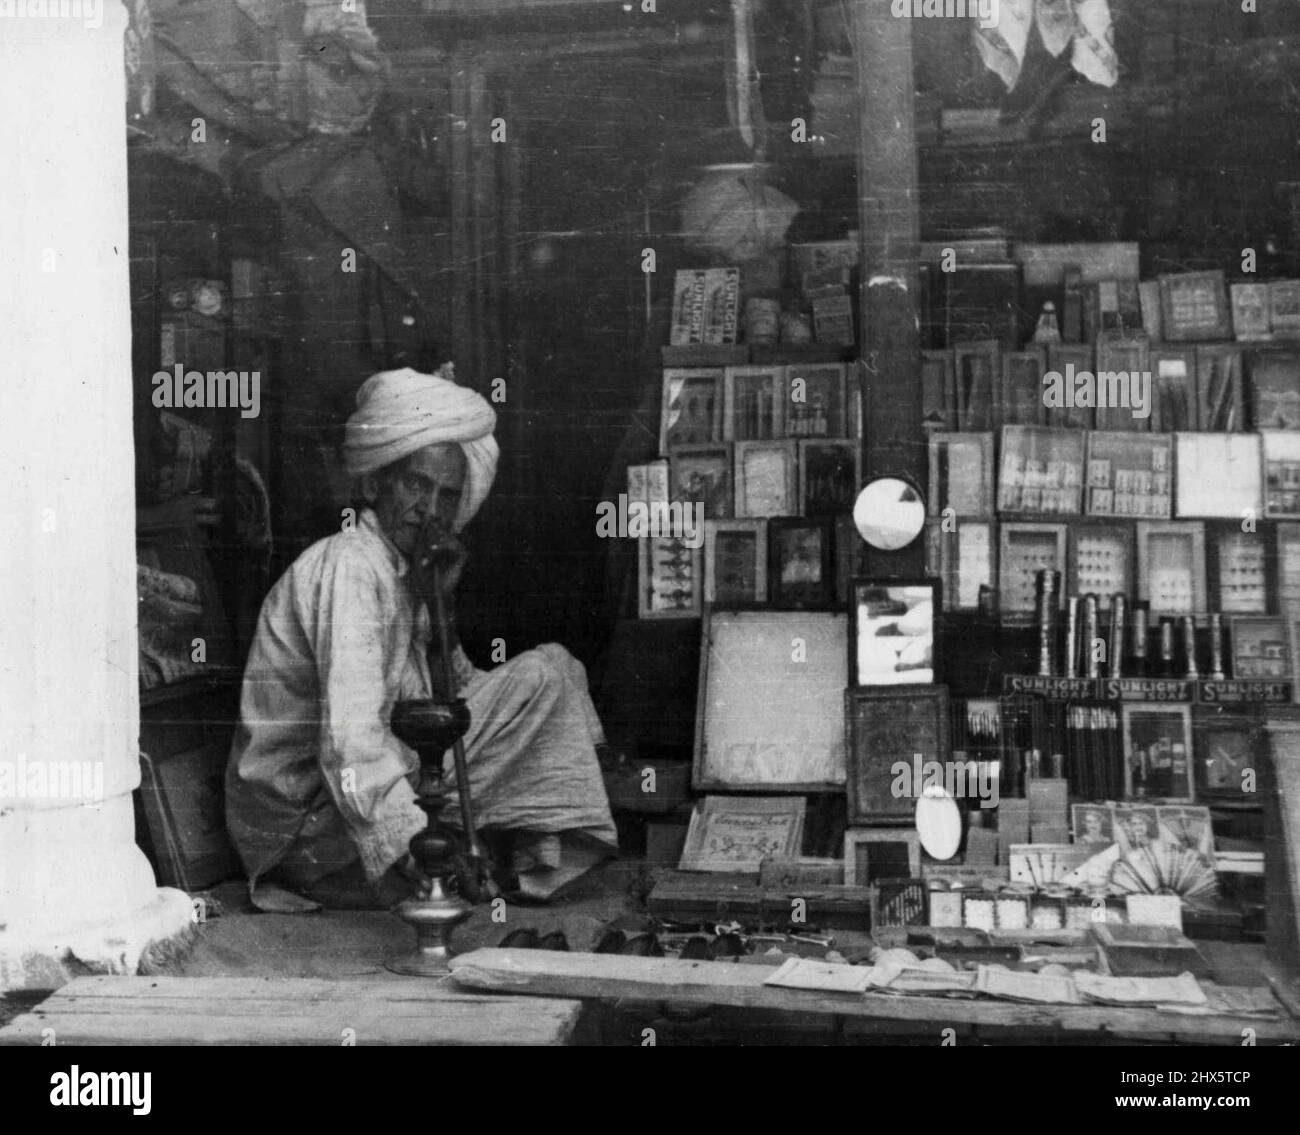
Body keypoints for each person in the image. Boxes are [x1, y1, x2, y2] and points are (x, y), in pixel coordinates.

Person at [225, 367, 617, 910]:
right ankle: (423, 858)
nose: (431, 509)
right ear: (374, 483)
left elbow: (453, 697)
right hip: (305, 823)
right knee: (541, 680)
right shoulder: (351, 566)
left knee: (552, 669)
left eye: (447, 495)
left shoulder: (406, 570)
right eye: (416, 484)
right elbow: (348, 742)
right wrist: (412, 845)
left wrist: (440, 603)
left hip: (365, 781)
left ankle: (512, 856)